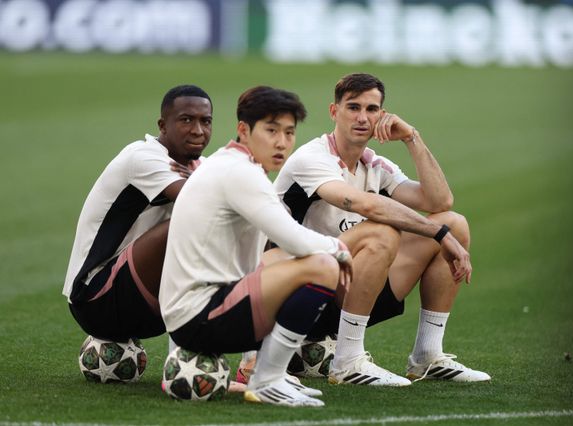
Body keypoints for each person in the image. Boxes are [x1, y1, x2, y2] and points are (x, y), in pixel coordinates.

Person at [274, 73, 490, 385]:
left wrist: (411, 137)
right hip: (292, 294)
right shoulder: (312, 157)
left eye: (372, 109)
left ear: (381, 115)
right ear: (334, 111)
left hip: (346, 289)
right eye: (353, 107)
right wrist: (438, 235)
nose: (362, 117)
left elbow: (440, 200)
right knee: (381, 231)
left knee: (454, 223)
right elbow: (365, 205)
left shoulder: (374, 165)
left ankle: (427, 355)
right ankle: (348, 361)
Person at [158, 86, 353, 407]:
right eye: (271, 130)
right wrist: (339, 248)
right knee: (323, 265)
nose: (282, 142)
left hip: (193, 313)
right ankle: (268, 379)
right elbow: (295, 239)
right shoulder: (239, 172)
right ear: (244, 130)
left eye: (289, 132)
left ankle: (267, 372)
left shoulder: (232, 163)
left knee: (295, 258)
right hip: (198, 319)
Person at [63, 84, 212, 346]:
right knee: (195, 221)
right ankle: (187, 356)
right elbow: (202, 203)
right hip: (96, 299)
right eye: (186, 120)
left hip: (147, 308)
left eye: (205, 121)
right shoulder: (142, 157)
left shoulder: (202, 166)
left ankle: (244, 358)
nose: (198, 130)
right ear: (163, 125)